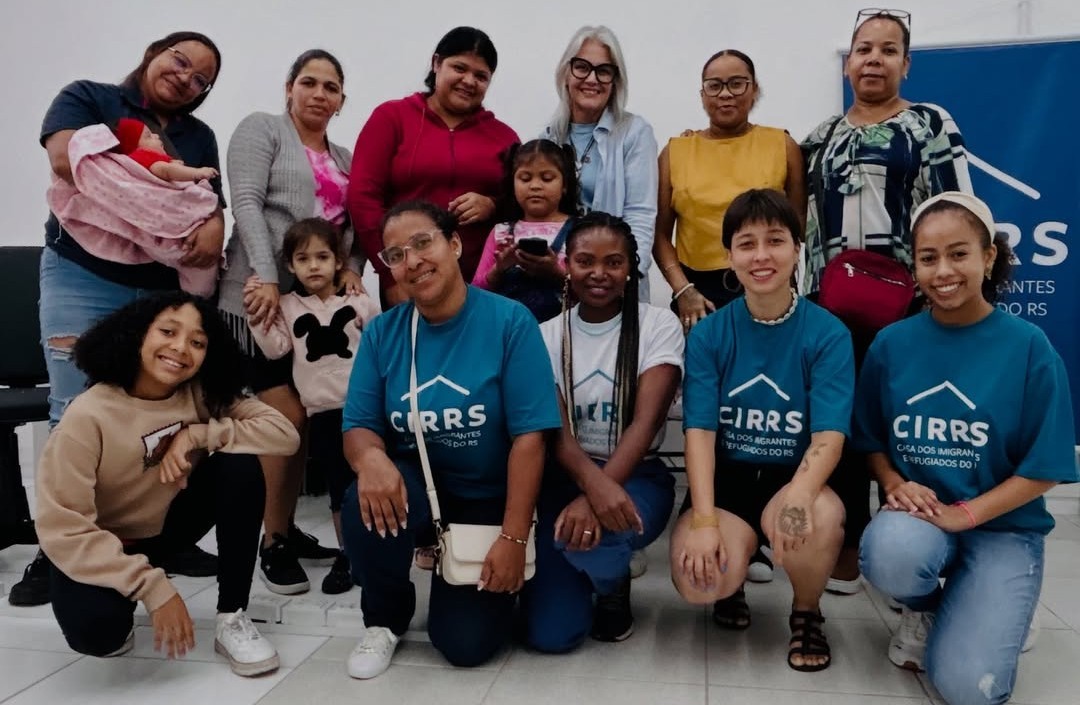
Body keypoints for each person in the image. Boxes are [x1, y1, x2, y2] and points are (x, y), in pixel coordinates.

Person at [14, 30, 227, 609]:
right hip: (80, 276)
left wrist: (133, 188)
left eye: (201, 79)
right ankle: (58, 546)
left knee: (161, 411)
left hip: (160, 290)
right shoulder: (89, 98)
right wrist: (157, 206)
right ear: (155, 51)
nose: (186, 78)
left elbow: (209, 226)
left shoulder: (198, 135)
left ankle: (161, 536)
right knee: (75, 409)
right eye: (180, 61)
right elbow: (66, 161)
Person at [856, 192, 1077, 705]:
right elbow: (870, 439)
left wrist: (966, 515)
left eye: (959, 254)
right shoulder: (891, 344)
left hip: (1003, 529)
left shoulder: (1028, 347)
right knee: (890, 553)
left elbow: (1045, 468)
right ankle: (927, 605)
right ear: (914, 266)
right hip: (921, 521)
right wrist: (893, 482)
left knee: (968, 690)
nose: (943, 271)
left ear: (988, 257)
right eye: (928, 258)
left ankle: (1006, 602)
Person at [339, 200, 561, 679]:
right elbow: (357, 426)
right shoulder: (383, 334)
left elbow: (530, 439)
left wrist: (513, 536)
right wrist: (371, 461)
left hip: (488, 498)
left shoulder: (509, 322)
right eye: (396, 255)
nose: (413, 261)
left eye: (423, 243)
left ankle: (477, 575)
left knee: (464, 645)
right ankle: (384, 617)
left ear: (455, 244)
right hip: (415, 492)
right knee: (363, 497)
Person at [34, 292, 301, 676]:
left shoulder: (200, 394)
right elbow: (64, 528)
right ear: (137, 334)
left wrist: (198, 435)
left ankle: (232, 617)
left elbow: (283, 434)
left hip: (166, 530)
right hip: (104, 544)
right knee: (97, 634)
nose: (181, 348)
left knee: (238, 464)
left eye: (197, 342)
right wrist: (152, 588)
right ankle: (122, 593)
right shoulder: (88, 416)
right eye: (168, 332)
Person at [801, 9, 973, 593]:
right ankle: (847, 542)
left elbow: (956, 214)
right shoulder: (820, 137)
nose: (873, 59)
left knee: (907, 424)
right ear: (847, 61)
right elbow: (804, 227)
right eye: (863, 49)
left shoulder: (927, 123)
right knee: (844, 423)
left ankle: (918, 544)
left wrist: (944, 291)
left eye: (888, 49)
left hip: (911, 309)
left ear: (906, 62)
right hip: (833, 312)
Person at [672, 189, 853, 672]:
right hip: (726, 482)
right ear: (729, 255)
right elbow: (700, 433)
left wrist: (799, 495)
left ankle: (807, 611)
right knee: (699, 582)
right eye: (747, 243)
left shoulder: (828, 333)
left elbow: (829, 436)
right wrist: (706, 520)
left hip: (792, 480)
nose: (761, 256)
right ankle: (733, 576)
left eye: (775, 240)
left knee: (811, 523)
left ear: (798, 249)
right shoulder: (710, 332)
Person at [218, 49, 363, 595]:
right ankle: (272, 540)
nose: (320, 94)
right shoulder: (264, 131)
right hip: (257, 301)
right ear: (289, 87)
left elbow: (347, 228)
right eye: (310, 82)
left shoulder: (346, 156)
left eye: (332, 86)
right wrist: (268, 276)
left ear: (342, 100)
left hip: (317, 311)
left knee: (309, 415)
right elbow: (248, 203)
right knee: (282, 420)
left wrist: (349, 271)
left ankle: (287, 529)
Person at [527, 212, 682, 650]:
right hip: (567, 474)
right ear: (566, 264)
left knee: (598, 541)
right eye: (584, 261)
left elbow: (646, 422)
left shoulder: (658, 326)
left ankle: (612, 582)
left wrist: (601, 489)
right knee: (552, 636)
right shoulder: (545, 335)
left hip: (638, 474)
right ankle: (571, 572)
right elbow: (554, 431)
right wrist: (590, 486)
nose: (598, 273)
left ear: (631, 267)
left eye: (613, 262)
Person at [246, 218, 380, 594]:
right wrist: (256, 315)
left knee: (367, 481)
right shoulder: (287, 306)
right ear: (289, 266)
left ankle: (376, 549)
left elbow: (380, 343)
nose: (314, 266)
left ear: (339, 260)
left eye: (323, 256)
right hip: (321, 413)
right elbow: (276, 349)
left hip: (363, 412)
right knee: (338, 488)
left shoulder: (357, 301)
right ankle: (347, 553)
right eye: (303, 259)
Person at [348, 26, 520, 308]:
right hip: (409, 281)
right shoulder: (392, 118)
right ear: (436, 63)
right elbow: (362, 197)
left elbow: (524, 206)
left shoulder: (504, 138)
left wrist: (493, 205)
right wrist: (392, 274)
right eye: (459, 68)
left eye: (481, 76)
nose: (469, 81)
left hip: (482, 289)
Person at [653, 49, 806, 332]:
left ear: (754, 89)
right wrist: (683, 290)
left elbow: (797, 228)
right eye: (714, 85)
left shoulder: (782, 146)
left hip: (768, 286)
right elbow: (660, 235)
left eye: (737, 83)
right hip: (699, 298)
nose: (725, 94)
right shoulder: (676, 152)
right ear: (702, 95)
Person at [542, 25, 657, 300]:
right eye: (582, 67)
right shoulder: (547, 139)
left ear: (616, 81)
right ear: (565, 73)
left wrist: (622, 279)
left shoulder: (634, 132)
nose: (592, 79)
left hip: (616, 288)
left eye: (604, 71)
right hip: (556, 288)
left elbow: (640, 216)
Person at [45, 118, 221, 296]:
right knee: (199, 274)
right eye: (148, 136)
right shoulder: (144, 159)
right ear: (136, 147)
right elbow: (165, 171)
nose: (156, 137)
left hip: (166, 250)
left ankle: (199, 291)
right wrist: (198, 173)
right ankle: (201, 293)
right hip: (172, 228)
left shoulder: (192, 140)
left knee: (195, 273)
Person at [472, 139, 579, 322]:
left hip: (562, 336)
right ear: (512, 184)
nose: (535, 186)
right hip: (508, 334)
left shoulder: (580, 232)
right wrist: (499, 269)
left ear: (565, 185)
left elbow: (590, 288)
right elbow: (476, 292)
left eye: (547, 178)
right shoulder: (501, 232)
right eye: (525, 178)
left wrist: (556, 273)